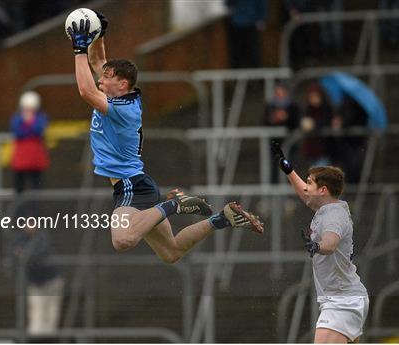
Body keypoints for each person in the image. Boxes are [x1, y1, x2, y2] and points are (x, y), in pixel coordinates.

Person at [66, 13, 263, 263]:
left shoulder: (121, 109)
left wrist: (78, 47)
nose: (100, 81)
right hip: (139, 184)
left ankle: (177, 205)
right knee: (171, 251)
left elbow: (85, 90)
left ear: (123, 84)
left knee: (123, 239)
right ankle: (221, 219)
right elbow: (98, 60)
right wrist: (99, 34)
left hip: (130, 186)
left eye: (106, 78)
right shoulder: (117, 96)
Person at [270, 140, 369, 343]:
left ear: (323, 190)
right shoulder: (328, 208)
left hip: (342, 301)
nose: (305, 187)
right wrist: (287, 168)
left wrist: (317, 246)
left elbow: (330, 243)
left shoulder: (333, 215)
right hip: (343, 298)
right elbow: (305, 195)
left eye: (310, 182)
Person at [12, 220, 64, 339]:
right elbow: (13, 253)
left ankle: (48, 340)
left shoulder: (42, 237)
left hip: (52, 281)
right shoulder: (21, 239)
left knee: (51, 315)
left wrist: (25, 255)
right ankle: (37, 340)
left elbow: (40, 254)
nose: (29, 226)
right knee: (37, 314)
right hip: (36, 283)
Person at [10, 91, 50, 193]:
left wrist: (28, 124)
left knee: (36, 190)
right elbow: (18, 132)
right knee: (19, 190)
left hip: (36, 160)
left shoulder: (41, 118)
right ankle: (20, 209)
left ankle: (35, 208)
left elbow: (38, 131)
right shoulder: (17, 118)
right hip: (21, 160)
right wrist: (28, 125)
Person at [225, 0, 267, 68]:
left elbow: (262, 3)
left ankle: (256, 76)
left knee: (254, 55)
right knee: (236, 56)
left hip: (252, 24)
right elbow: (228, 4)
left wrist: (261, 18)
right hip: (236, 24)